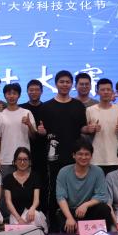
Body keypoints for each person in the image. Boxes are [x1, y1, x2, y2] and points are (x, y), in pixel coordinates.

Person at [38, 70, 87, 216]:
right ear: (56, 84)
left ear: (72, 85)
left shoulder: (78, 105)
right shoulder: (46, 107)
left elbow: (82, 127)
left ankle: (74, 219)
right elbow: (42, 131)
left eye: (67, 82)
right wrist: (41, 132)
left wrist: (90, 129)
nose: (65, 84)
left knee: (75, 188)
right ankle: (53, 222)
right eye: (61, 82)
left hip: (75, 155)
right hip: (54, 155)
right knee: (54, 188)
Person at [56, 139, 112, 232]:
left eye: (87, 154)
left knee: (104, 209)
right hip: (70, 211)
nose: (83, 157)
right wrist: (69, 218)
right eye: (80, 154)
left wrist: (86, 205)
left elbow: (102, 195)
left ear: (91, 156)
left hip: (88, 210)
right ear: (74, 155)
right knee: (65, 224)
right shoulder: (64, 172)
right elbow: (60, 197)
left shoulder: (98, 171)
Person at [0, 83, 36, 178]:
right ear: (4, 95)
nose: (11, 96)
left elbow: (33, 136)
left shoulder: (27, 113)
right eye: (9, 94)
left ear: (19, 95)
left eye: (14, 93)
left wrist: (29, 124)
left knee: (25, 186)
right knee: (6, 186)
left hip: (24, 159)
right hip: (5, 160)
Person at [84, 78, 118, 175]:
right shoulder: (90, 110)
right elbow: (85, 130)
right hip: (95, 158)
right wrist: (90, 129)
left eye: (108, 89)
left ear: (112, 91)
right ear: (97, 92)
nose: (106, 92)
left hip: (114, 157)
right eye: (102, 90)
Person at [3, 147, 48, 232]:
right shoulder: (8, 179)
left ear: (29, 162)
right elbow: (8, 202)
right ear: (15, 161)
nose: (22, 162)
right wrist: (19, 219)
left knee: (35, 220)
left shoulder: (35, 177)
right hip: (16, 215)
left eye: (25, 159)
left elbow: (36, 200)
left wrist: (32, 209)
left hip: (32, 213)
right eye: (19, 159)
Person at [20, 79, 48, 185]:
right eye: (31, 90)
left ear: (41, 91)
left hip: (42, 150)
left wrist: (44, 132)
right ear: (27, 91)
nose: (34, 92)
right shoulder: (21, 108)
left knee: (41, 181)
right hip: (24, 148)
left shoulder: (47, 108)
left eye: (37, 90)